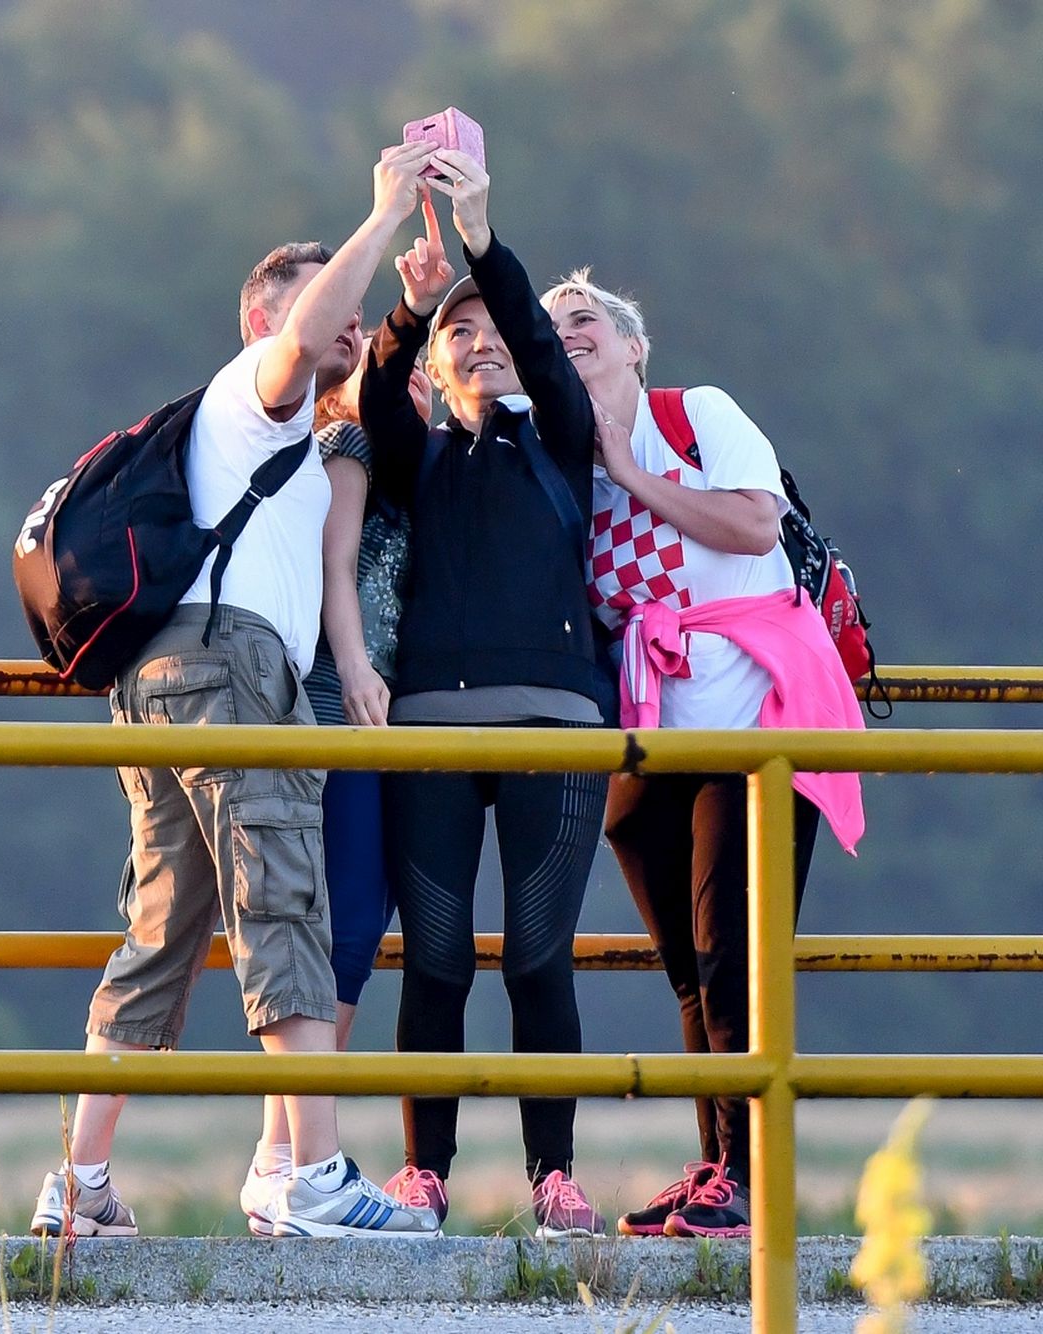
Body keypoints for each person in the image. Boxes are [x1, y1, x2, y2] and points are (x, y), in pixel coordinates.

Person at [29, 140, 446, 1242]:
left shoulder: (302, 437)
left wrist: (403, 312)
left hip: (170, 675)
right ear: (267, 324)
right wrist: (382, 213)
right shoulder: (254, 396)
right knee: (282, 898)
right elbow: (310, 336)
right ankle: (310, 1176)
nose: (342, 331)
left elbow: (359, 379)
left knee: (164, 926)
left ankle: (77, 1181)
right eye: (324, 312)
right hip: (225, 671)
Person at [542, 269, 865, 1239]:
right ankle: (715, 1163)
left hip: (760, 718)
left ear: (635, 344)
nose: (568, 335)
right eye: (548, 327)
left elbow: (752, 522)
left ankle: (748, 1175)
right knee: (688, 965)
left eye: (585, 320)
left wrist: (633, 472)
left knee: (733, 951)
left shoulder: (696, 415)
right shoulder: (557, 463)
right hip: (653, 729)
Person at [359, 152, 612, 1239]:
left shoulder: (560, 439)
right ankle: (423, 1175)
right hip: (427, 729)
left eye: (491, 326)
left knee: (540, 953)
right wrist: (410, 307)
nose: (480, 339)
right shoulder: (417, 456)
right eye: (457, 332)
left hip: (555, 723)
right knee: (438, 954)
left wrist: (477, 241)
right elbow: (372, 401)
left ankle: (552, 1175)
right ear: (436, 357)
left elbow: (547, 353)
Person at [237, 335, 425, 1235]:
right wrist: (352, 669)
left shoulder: (396, 451)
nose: (420, 383)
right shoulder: (347, 437)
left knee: (354, 913)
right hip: (338, 702)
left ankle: (284, 1157)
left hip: (373, 707)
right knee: (344, 916)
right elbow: (337, 566)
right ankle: (294, 1158)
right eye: (410, 368)